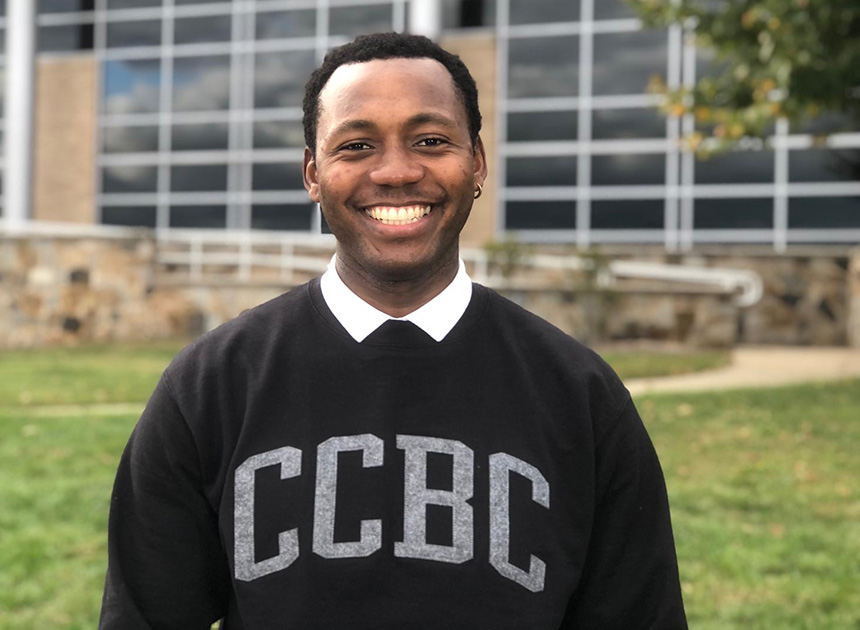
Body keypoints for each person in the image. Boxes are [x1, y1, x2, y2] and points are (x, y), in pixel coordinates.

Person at [100, 32, 687, 629]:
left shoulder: (580, 395)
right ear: (313, 174)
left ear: (477, 161)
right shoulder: (209, 388)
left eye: (430, 140)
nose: (397, 171)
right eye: (356, 145)